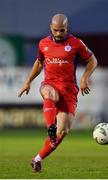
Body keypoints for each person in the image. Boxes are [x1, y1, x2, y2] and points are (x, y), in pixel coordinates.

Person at [18, 14, 98, 172]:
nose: (59, 34)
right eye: (56, 30)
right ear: (50, 27)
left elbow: (92, 60)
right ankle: (50, 127)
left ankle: (37, 159)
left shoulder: (76, 43)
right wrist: (28, 81)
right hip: (50, 83)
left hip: (69, 89)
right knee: (49, 94)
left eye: (62, 31)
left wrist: (84, 79)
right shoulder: (43, 44)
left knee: (63, 131)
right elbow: (39, 63)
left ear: (67, 28)